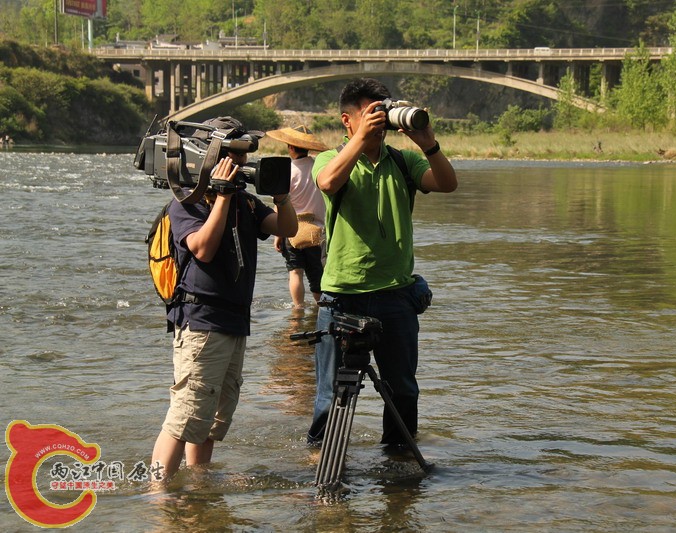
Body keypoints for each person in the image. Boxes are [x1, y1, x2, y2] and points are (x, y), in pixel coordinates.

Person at [308, 78, 458, 446]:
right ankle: (320, 458)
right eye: (370, 113)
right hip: (342, 295)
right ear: (347, 120)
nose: (379, 119)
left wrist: (429, 144)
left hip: (395, 295)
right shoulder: (330, 159)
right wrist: (360, 141)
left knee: (403, 390)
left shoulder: (403, 162)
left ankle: (398, 459)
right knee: (332, 394)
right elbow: (327, 183)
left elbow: (447, 183)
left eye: (384, 111)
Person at [150, 116, 298, 481]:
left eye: (242, 157)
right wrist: (220, 196)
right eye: (232, 156)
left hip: (234, 322)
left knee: (215, 415)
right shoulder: (187, 203)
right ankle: (156, 492)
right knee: (185, 414)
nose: (240, 165)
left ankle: (198, 482)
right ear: (209, 158)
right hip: (202, 321)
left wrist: (281, 196)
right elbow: (203, 248)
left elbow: (287, 228)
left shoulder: (245, 203)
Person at [265, 125, 328, 308]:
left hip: (292, 229)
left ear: (291, 147)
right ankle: (321, 310)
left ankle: (298, 309)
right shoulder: (319, 166)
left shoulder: (286, 171)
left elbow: (280, 204)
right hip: (316, 231)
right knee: (317, 274)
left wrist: (278, 234)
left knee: (295, 272)